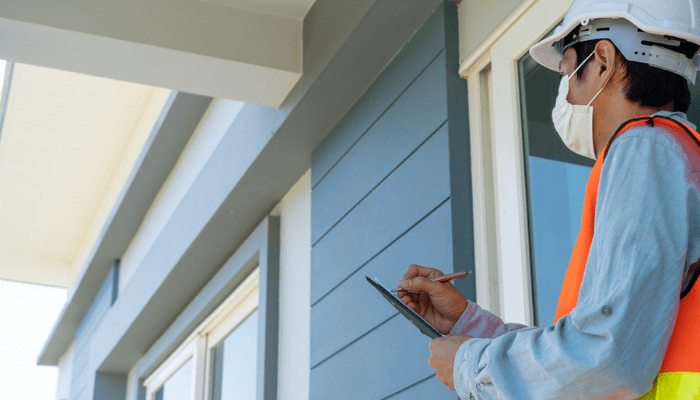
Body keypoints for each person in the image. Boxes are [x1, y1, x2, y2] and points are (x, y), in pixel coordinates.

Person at [396, 1, 700, 398]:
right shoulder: (675, 153)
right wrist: (469, 327)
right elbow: (593, 350)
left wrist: (472, 366)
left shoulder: (645, 150)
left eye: (567, 72)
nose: (566, 94)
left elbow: (606, 358)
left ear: (603, 62)